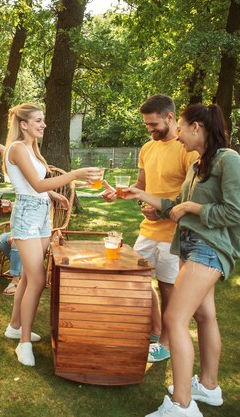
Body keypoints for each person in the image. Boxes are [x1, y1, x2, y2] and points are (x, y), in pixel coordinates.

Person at [123, 104, 240, 417]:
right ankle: (208, 386)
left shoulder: (229, 161)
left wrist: (194, 209)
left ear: (198, 127)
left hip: (211, 248)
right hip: (192, 245)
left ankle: (182, 406)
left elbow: (237, 212)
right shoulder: (199, 166)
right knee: (205, 316)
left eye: (181, 128)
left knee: (174, 319)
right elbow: (176, 206)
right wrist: (138, 194)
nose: (177, 135)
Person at [102, 95, 198, 362]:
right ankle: (155, 331)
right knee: (139, 281)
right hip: (148, 230)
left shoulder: (186, 150)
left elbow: (191, 195)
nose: (150, 129)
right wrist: (118, 194)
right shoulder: (147, 148)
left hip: (173, 234)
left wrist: (160, 212)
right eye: (146, 125)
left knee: (169, 289)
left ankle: (166, 343)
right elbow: (141, 185)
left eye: (153, 124)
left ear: (170, 117)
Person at [3, 103, 99, 366]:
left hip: (41, 214)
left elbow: (37, 185)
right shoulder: (17, 149)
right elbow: (35, 184)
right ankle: (23, 343)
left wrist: (51, 194)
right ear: (24, 124)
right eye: (38, 120)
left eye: (42, 120)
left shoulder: (32, 148)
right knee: (36, 280)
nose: (43, 124)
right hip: (26, 216)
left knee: (28, 277)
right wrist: (73, 175)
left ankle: (14, 326)